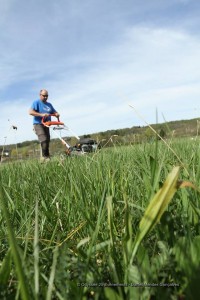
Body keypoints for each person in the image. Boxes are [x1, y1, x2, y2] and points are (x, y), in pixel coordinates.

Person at [29, 89, 60, 162]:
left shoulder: (49, 104)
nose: (45, 97)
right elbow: (30, 112)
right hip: (38, 124)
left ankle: (46, 158)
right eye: (44, 96)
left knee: (47, 141)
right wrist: (41, 114)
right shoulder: (36, 102)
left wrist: (57, 114)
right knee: (44, 139)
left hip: (47, 124)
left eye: (47, 96)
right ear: (40, 95)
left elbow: (54, 112)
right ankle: (45, 157)